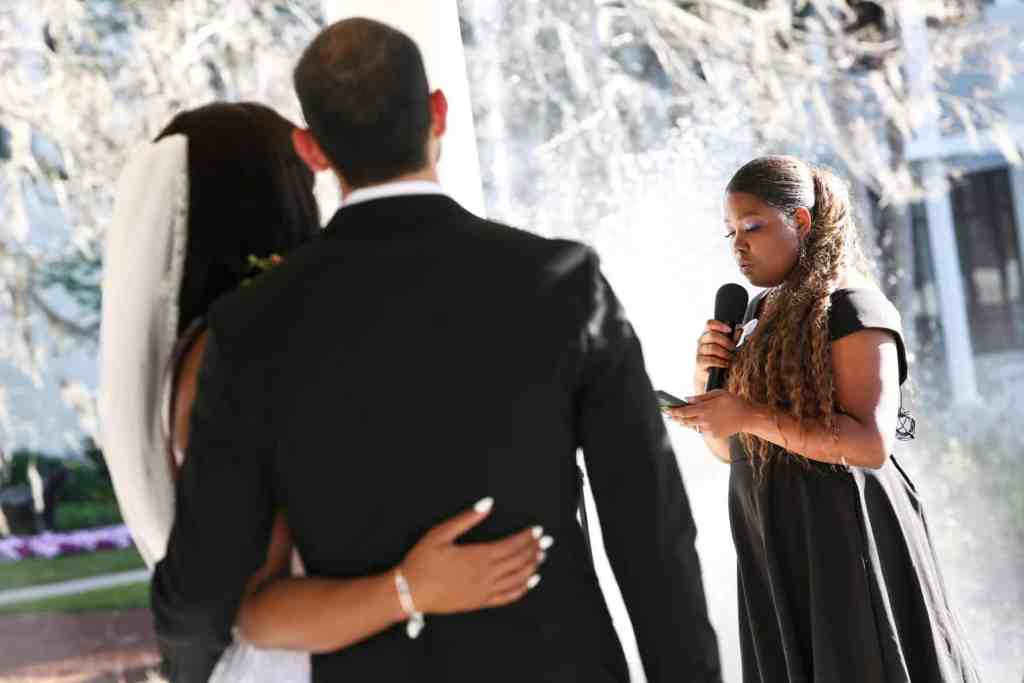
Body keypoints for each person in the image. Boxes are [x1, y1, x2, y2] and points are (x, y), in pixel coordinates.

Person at [151, 18, 721, 683]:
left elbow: (199, 595)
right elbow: (652, 537)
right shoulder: (563, 283)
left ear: (312, 150)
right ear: (438, 113)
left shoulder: (248, 329)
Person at [99, 102, 545, 683]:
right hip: (311, 655)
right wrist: (412, 586)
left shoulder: (206, 349)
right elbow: (262, 596)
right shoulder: (240, 349)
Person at [669, 155, 980, 682]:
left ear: (802, 221)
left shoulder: (853, 307)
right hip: (773, 538)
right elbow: (731, 450)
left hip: (842, 536)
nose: (738, 245)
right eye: (730, 233)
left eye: (752, 227)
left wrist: (751, 413)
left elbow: (871, 443)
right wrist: (709, 382)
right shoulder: (752, 317)